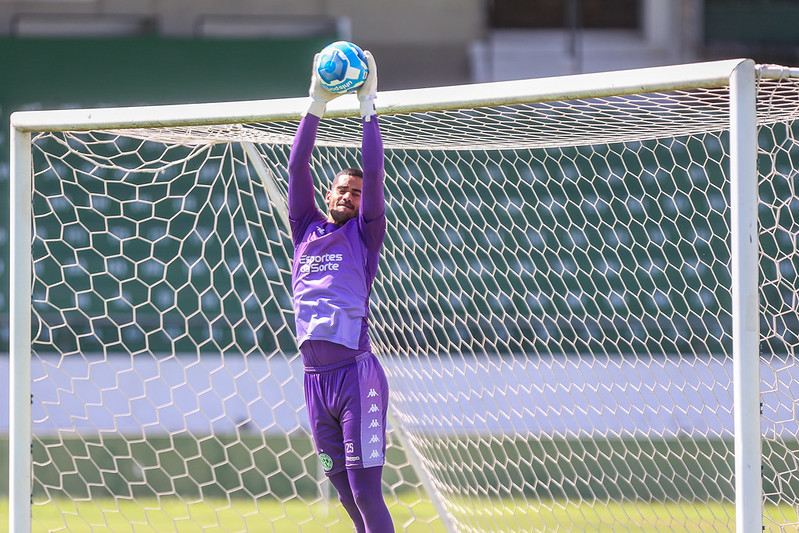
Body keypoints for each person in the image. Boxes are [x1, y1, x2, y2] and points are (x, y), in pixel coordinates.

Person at [288, 50, 394, 532]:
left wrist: (366, 104)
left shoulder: (365, 234)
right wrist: (316, 103)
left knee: (366, 492)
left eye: (356, 192)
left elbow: (374, 174)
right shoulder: (305, 228)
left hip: (356, 377)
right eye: (341, 190)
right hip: (315, 382)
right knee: (345, 495)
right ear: (327, 195)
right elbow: (297, 169)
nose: (349, 196)